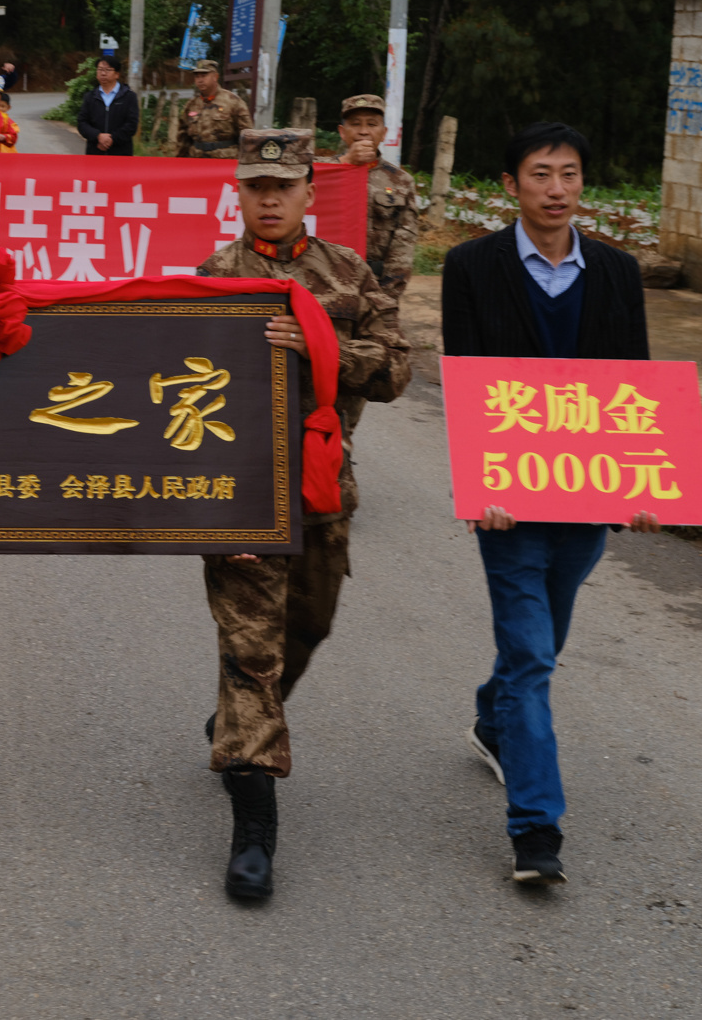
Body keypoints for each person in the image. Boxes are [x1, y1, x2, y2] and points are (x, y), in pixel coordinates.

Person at [194, 128, 410, 899]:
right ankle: (254, 828)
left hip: (323, 489)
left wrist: (320, 345)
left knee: (306, 629)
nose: (270, 198)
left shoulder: (346, 270)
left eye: (283, 185)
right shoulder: (213, 275)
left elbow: (394, 367)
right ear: (239, 193)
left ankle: (234, 715)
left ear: (309, 194)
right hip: (240, 490)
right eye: (255, 186)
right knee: (253, 651)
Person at [441, 122, 659, 884]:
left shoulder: (616, 271)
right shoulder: (470, 266)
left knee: (540, 642)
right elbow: (466, 375)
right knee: (533, 656)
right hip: (508, 507)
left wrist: (636, 484)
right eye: (540, 173)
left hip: (584, 502)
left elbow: (632, 380)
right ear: (511, 185)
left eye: (568, 173)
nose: (556, 187)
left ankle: (489, 715)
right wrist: (482, 484)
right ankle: (536, 828)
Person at [336, 94, 421, 301]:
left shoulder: (401, 182)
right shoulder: (322, 174)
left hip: (376, 285)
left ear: (383, 133)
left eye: (372, 124)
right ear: (342, 132)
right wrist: (346, 163)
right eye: (355, 124)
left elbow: (403, 244)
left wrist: (385, 297)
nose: (363, 131)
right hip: (327, 282)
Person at [177, 59, 252, 159]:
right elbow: (183, 138)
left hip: (224, 161)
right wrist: (179, 161)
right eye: (197, 76)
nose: (200, 80)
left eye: (204, 76)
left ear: (215, 77)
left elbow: (247, 136)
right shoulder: (191, 105)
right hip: (196, 160)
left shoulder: (233, 102)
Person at [76, 53, 138, 157]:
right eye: (100, 69)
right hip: (95, 152)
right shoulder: (90, 97)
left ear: (117, 74)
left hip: (121, 154)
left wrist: (112, 139)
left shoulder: (129, 97)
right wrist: (98, 136)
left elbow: (131, 125)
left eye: (108, 70)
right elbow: (82, 123)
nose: (103, 73)